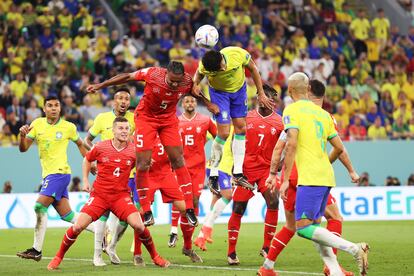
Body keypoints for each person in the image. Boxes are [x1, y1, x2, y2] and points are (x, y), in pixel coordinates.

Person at [258, 73, 369, 276]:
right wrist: (347, 169)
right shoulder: (324, 115)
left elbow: (288, 145)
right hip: (324, 176)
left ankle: (354, 248)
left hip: (306, 177)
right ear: (307, 89)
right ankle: (334, 271)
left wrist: (279, 176)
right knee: (318, 229)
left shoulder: (292, 111)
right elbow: (339, 147)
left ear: (290, 90)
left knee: (301, 228)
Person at [86, 61, 217, 227]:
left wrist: (208, 103)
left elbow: (195, 91)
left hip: (168, 120)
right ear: (166, 73)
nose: (175, 85)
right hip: (146, 119)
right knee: (142, 163)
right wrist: (101, 85)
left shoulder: (186, 81)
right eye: (171, 81)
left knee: (178, 160)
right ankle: (146, 211)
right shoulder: (153, 74)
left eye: (178, 82)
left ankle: (189, 209)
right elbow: (127, 76)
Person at [47, 117, 169, 270]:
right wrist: (85, 180)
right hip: (100, 196)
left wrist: (146, 162)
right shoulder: (100, 147)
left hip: (121, 197)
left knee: (139, 225)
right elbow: (87, 159)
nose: (124, 131)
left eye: (126, 128)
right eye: (120, 128)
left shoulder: (134, 150)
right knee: (78, 226)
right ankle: (58, 257)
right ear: (113, 130)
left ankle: (155, 257)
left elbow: (142, 167)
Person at [17, 95, 94, 262]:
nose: (53, 108)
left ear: (60, 108)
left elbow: (80, 144)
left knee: (39, 206)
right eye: (50, 105)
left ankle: (36, 250)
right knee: (68, 215)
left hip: (59, 173)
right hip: (48, 175)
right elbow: (23, 149)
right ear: (44, 109)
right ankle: (103, 231)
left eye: (56, 105)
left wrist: (90, 163)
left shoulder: (69, 127)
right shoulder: (37, 124)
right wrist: (22, 136)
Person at [192, 46, 273, 194]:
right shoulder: (205, 67)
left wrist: (260, 93)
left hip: (239, 92)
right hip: (219, 94)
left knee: (241, 128)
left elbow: (254, 69)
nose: (223, 69)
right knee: (223, 133)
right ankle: (213, 174)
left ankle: (237, 173)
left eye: (222, 65)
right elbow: (195, 80)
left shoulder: (237, 54)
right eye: (219, 70)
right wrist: (206, 101)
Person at [226, 84, 283, 265]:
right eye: (268, 96)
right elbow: (235, 141)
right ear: (259, 97)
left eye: (274, 98)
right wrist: (236, 168)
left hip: (267, 170)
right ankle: (231, 252)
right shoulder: (246, 117)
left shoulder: (280, 122)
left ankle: (267, 247)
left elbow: (288, 145)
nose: (271, 100)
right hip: (247, 170)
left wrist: (279, 164)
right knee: (238, 208)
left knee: (274, 200)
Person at [83, 86, 136, 266]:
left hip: (128, 173)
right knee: (102, 215)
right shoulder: (102, 118)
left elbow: (136, 143)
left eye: (126, 99)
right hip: (105, 175)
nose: (123, 102)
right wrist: (94, 159)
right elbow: (87, 140)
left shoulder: (135, 119)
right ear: (114, 100)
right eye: (120, 98)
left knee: (126, 218)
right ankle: (97, 255)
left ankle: (111, 246)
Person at [135, 138, 202, 264]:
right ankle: (137, 254)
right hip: (148, 175)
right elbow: (132, 150)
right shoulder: (143, 132)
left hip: (166, 174)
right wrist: (140, 158)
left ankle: (187, 247)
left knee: (185, 209)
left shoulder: (168, 132)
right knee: (141, 214)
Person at [168, 95, 217, 247]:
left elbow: (219, 137)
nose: (190, 103)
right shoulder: (175, 121)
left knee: (195, 200)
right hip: (180, 166)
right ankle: (174, 231)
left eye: (192, 101)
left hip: (198, 168)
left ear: (196, 103)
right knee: (179, 198)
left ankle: (188, 236)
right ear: (182, 104)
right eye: (187, 101)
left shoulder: (205, 120)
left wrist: (216, 157)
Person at [193, 127, 234, 252]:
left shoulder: (226, 126)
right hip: (220, 167)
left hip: (218, 167)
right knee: (227, 196)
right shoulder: (229, 127)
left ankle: (200, 237)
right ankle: (207, 228)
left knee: (216, 198)